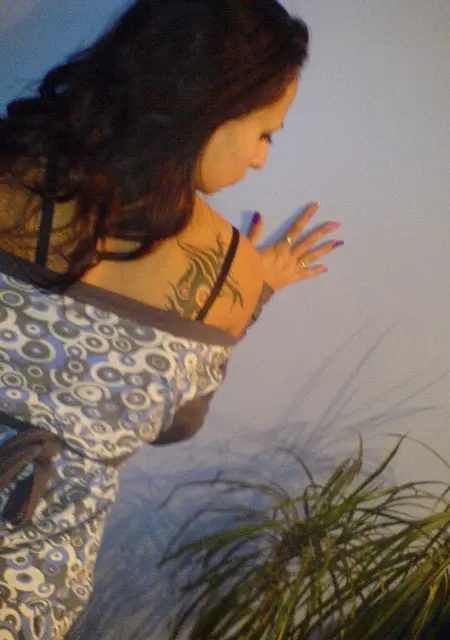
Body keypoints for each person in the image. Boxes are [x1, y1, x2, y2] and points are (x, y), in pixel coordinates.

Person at [0, 0, 343, 637]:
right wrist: (250, 289)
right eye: (265, 133)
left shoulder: (10, 167)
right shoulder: (229, 281)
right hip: (28, 591)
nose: (262, 159)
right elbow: (175, 425)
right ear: (212, 107)